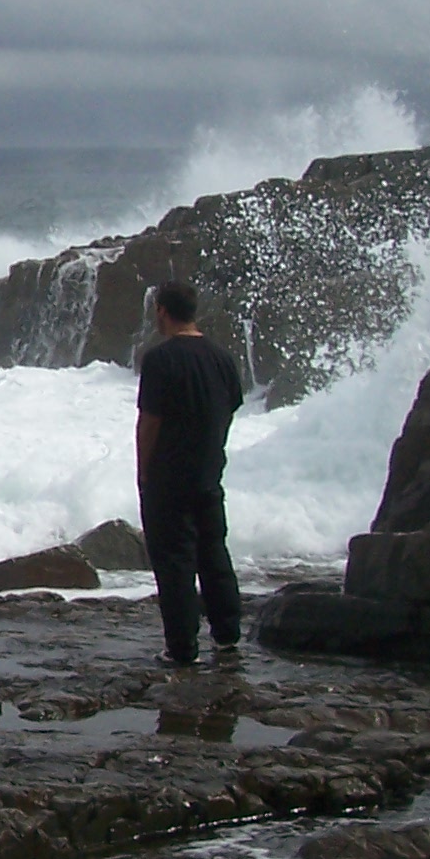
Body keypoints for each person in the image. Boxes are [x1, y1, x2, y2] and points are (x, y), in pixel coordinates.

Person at [135, 280, 245, 666]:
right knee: (213, 551)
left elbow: (149, 423)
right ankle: (228, 635)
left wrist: (143, 474)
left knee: (175, 563)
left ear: (163, 311)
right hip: (208, 471)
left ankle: (181, 648)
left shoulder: (160, 360)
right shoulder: (221, 357)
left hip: (168, 476)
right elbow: (231, 407)